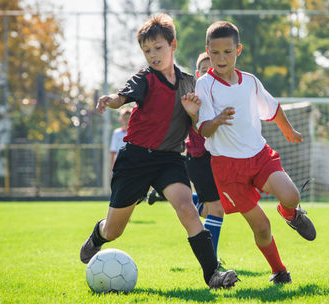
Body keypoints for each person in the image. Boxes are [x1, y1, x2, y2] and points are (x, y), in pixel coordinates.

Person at [79, 13, 238, 290]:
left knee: (187, 208)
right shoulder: (144, 79)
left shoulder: (189, 83)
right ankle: (98, 235)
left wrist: (193, 113)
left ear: (173, 45)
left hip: (169, 159)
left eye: (158, 48)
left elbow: (198, 126)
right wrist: (111, 100)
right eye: (147, 50)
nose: (152, 55)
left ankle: (213, 274)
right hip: (135, 159)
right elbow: (123, 97)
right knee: (114, 230)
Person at [191, 21, 317, 284]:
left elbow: (272, 108)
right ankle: (280, 271)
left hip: (260, 156)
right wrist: (218, 120)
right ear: (208, 51)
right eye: (215, 53)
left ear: (238, 50)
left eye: (227, 51)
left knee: (291, 195)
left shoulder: (249, 81)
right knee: (262, 227)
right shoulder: (204, 85)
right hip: (228, 168)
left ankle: (290, 214)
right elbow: (203, 130)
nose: (221, 58)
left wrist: (289, 130)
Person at [148, 52, 225, 260]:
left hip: (220, 158)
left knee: (218, 207)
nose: (209, 73)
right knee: (216, 209)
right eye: (204, 70)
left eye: (213, 69)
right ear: (197, 74)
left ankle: (164, 194)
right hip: (199, 158)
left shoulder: (224, 93)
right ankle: (212, 261)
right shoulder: (191, 96)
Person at [109, 107, 132, 172]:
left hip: (132, 165)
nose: (127, 120)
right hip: (120, 166)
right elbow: (113, 151)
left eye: (128, 118)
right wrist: (112, 169)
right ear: (121, 119)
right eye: (125, 118)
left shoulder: (135, 133)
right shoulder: (116, 133)